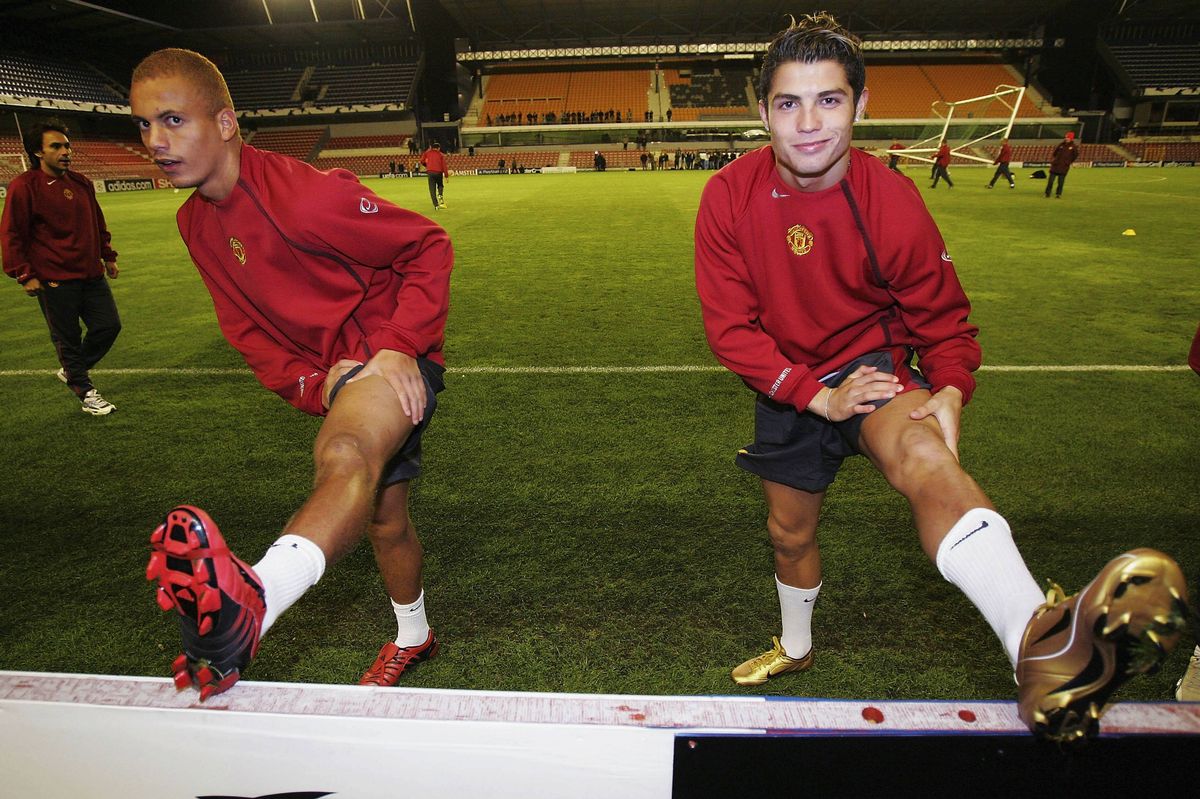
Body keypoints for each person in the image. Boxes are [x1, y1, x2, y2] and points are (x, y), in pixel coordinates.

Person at [693, 12, 1186, 744]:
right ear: (762, 110)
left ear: (861, 105)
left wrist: (950, 387)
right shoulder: (728, 196)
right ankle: (796, 647)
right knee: (789, 534)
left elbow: (945, 321)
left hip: (873, 369)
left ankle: (1039, 644)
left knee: (926, 454)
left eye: (829, 100)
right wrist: (816, 395)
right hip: (789, 381)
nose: (809, 123)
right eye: (789, 103)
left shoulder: (891, 199)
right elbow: (732, 329)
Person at [130, 48, 452, 699]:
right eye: (143, 124)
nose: (156, 141)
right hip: (337, 375)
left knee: (345, 452)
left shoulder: (304, 197)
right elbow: (245, 328)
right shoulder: (193, 221)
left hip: (391, 357)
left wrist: (398, 345)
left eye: (173, 120)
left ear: (225, 123)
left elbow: (427, 244)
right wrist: (313, 384)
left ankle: (258, 598)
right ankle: (414, 635)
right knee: (383, 518)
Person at [1, 119, 122, 416]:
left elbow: (97, 222)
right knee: (67, 338)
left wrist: (107, 255)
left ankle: (72, 371)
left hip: (91, 274)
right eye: (56, 146)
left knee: (108, 326)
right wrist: (24, 274)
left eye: (67, 145)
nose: (66, 151)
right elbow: (12, 233)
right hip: (53, 278)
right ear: (38, 152)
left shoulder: (81, 183)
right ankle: (86, 392)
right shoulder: (24, 187)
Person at [1045, 131, 1079, 198]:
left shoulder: (1073, 147)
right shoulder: (1061, 145)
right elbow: (1054, 153)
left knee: (1060, 182)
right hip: (1055, 165)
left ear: (1071, 138)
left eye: (1068, 137)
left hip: (1064, 167)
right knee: (1050, 181)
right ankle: (1047, 193)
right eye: (1066, 137)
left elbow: (1075, 156)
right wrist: (1056, 160)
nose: (1066, 138)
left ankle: (1058, 194)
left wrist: (1068, 162)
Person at [421, 141, 448, 210]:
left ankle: (436, 205)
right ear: (438, 148)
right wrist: (446, 176)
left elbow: (422, 161)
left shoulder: (427, 153)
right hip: (438, 172)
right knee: (440, 185)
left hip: (430, 172)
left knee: (432, 189)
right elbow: (444, 166)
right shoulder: (441, 154)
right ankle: (440, 194)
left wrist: (427, 165)